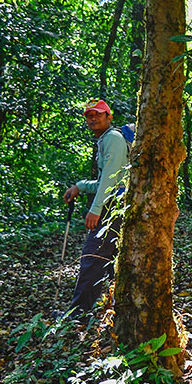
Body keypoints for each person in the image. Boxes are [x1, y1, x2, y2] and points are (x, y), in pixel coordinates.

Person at [63, 99, 129, 318]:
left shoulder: (113, 139)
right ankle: (114, 311)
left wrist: (96, 209)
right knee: (111, 260)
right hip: (117, 204)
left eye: (98, 114)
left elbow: (111, 179)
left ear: (109, 117)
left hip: (113, 206)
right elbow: (105, 181)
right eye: (89, 116)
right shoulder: (105, 140)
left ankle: (77, 315)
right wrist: (80, 186)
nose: (93, 119)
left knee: (92, 257)